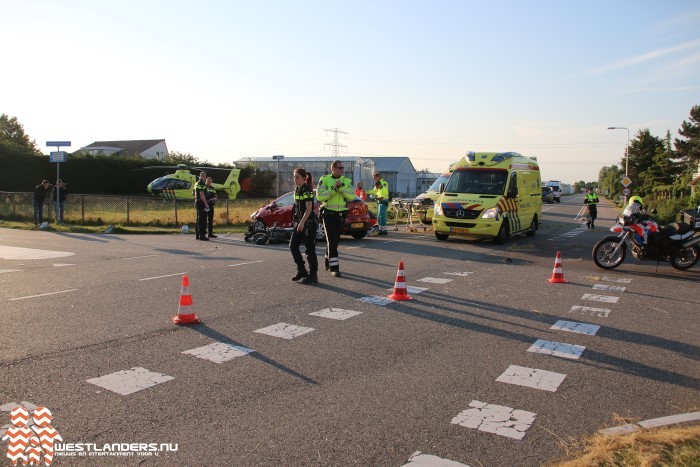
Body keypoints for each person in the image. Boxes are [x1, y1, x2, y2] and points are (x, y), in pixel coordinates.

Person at [317, 160, 355, 277]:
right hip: (328, 214)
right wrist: (333, 189)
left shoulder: (346, 181)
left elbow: (351, 196)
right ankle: (335, 267)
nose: (342, 170)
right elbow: (320, 196)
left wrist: (341, 188)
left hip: (341, 215)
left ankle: (327, 260)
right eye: (339, 168)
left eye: (343, 168)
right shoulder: (324, 179)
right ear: (332, 168)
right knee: (332, 241)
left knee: (335, 241)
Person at [289, 168, 318, 285]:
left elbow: (309, 209)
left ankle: (313, 275)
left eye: (297, 177)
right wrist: (296, 221)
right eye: (294, 177)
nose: (294, 179)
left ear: (303, 178)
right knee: (293, 246)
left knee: (309, 250)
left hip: (309, 224)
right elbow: (297, 208)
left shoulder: (307, 190)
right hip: (299, 223)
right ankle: (301, 271)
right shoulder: (297, 189)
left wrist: (302, 223)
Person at [194, 172, 210, 240]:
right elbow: (202, 194)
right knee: (202, 219)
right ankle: (202, 235)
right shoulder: (202, 183)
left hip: (197, 201)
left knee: (198, 218)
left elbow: (194, 193)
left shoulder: (196, 183)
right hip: (201, 202)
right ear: (204, 176)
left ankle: (197, 234)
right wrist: (206, 203)